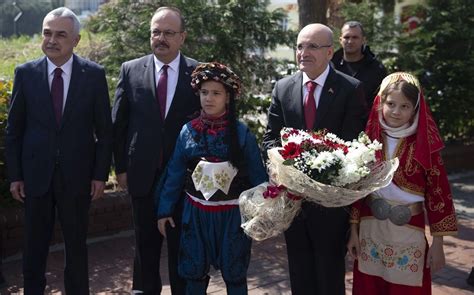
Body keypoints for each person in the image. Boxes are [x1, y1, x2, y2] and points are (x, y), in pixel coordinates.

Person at [5, 7, 112, 294]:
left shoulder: (93, 75)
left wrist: (100, 175)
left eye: (60, 35)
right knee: (33, 248)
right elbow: (14, 130)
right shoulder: (25, 74)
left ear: (75, 40)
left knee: (76, 248)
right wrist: (15, 175)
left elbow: (105, 132)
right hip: (35, 178)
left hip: (77, 177)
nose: (52, 40)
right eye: (47, 33)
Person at [262, 23, 367, 295]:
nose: (303, 52)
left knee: (329, 275)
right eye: (299, 46)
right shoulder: (283, 88)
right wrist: (283, 167)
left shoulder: (349, 88)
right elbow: (271, 138)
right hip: (292, 202)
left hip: (329, 207)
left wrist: (320, 175)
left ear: (330, 52)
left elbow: (352, 145)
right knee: (300, 274)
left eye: (312, 46)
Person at [156, 62, 267, 294]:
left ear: (228, 97)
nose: (209, 98)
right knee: (194, 273)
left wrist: (262, 213)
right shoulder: (188, 131)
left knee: (235, 274)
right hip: (196, 214)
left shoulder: (241, 132)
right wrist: (164, 211)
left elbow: (258, 176)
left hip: (232, 216)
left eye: (216, 93)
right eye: (204, 92)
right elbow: (175, 173)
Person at [112, 6, 200, 295]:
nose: (161, 38)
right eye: (156, 32)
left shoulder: (198, 74)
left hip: (183, 179)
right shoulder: (131, 69)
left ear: (182, 37)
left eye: (168, 33)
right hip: (142, 176)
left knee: (181, 250)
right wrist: (121, 168)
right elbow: (118, 124)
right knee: (144, 249)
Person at [347, 72, 458, 294]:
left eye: (405, 106)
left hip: (409, 232)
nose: (396, 111)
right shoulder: (368, 141)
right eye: (391, 104)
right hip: (371, 229)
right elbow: (357, 188)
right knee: (369, 287)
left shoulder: (425, 147)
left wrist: (438, 243)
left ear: (416, 109)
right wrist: (353, 230)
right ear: (380, 103)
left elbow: (439, 194)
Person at [332, 21, 387, 110]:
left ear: (363, 40)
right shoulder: (330, 66)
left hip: (364, 121)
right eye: (346, 37)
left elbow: (381, 101)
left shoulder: (376, 69)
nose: (350, 41)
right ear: (340, 40)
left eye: (355, 37)